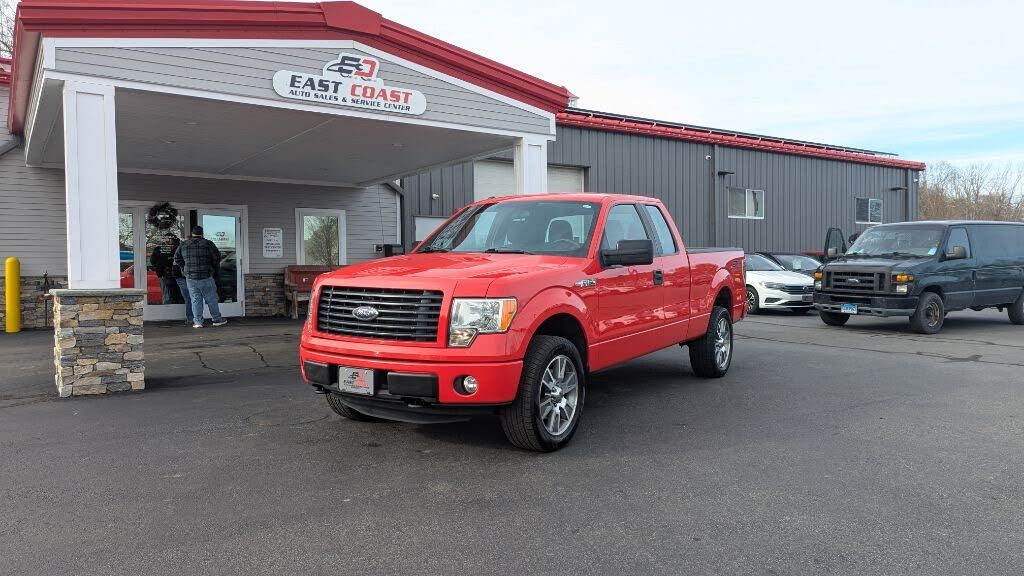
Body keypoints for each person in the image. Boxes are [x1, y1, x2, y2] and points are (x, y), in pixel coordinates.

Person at [173, 225, 228, 328]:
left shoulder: (183, 244)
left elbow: (177, 258)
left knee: (195, 299)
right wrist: (212, 268)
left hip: (190, 277)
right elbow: (217, 258)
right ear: (202, 234)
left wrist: (185, 268)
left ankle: (198, 322)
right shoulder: (208, 243)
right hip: (206, 276)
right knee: (211, 298)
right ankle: (216, 319)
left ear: (192, 233)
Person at [150, 233, 182, 304]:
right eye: (166, 239)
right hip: (168, 275)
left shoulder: (178, 248)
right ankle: (169, 311)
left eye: (169, 239)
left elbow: (153, 261)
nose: (167, 241)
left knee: (171, 296)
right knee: (170, 295)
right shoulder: (160, 249)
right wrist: (161, 269)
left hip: (175, 275)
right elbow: (153, 261)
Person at [172, 249, 194, 327]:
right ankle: (191, 318)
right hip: (182, 277)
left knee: (191, 298)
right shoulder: (180, 252)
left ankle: (193, 318)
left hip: (191, 276)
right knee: (189, 297)